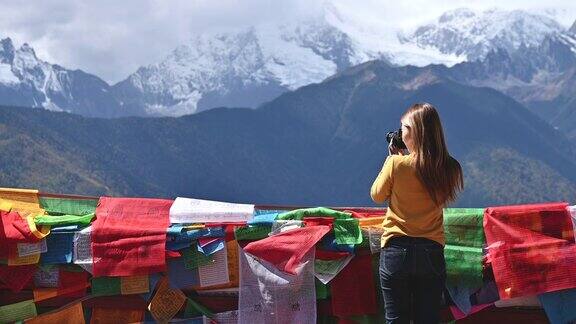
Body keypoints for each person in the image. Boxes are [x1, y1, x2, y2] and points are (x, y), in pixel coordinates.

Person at [370, 103, 464, 324]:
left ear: (414, 132)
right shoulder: (450, 168)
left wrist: (392, 159)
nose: (400, 133)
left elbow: (376, 195)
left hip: (396, 250)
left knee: (396, 320)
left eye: (403, 128)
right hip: (431, 252)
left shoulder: (396, 164)